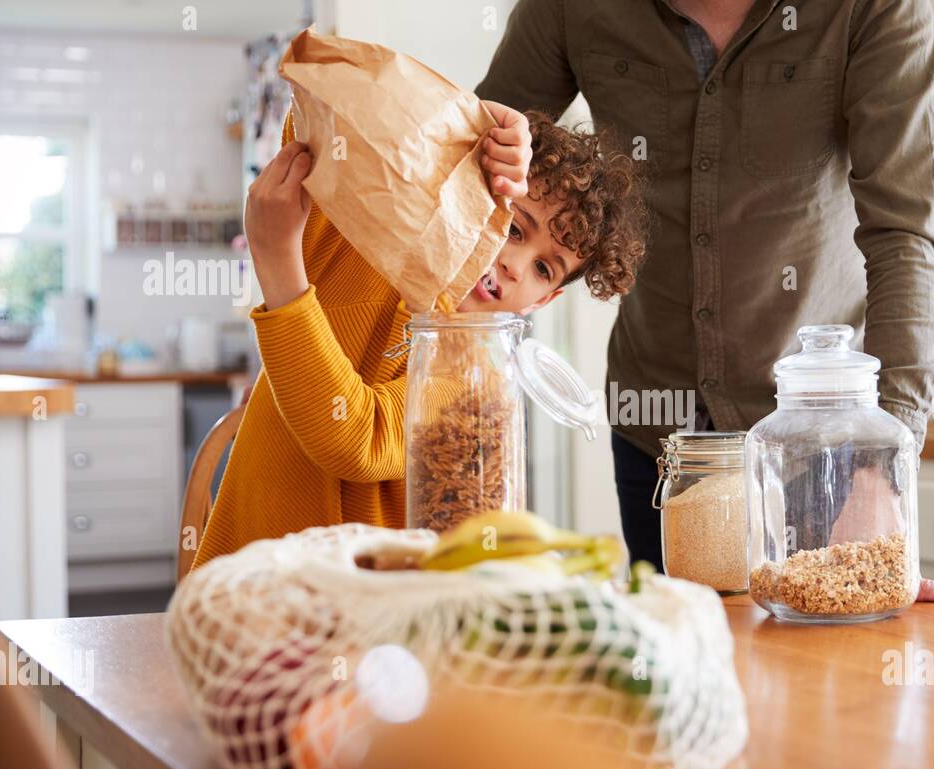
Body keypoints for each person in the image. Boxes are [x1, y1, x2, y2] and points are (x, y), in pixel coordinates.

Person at [478, 0, 934, 602]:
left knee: (831, 679)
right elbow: (474, 161)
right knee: (677, 670)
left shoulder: (874, 10)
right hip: (657, 428)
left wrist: (880, 471)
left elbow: (908, 236)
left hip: (823, 443)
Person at [193, 107, 647, 569]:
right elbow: (318, 113)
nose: (514, 264)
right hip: (243, 586)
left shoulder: (474, 377)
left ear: (540, 302)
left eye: (543, 268)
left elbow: (355, 439)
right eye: (514, 228)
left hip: (371, 613)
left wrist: (276, 261)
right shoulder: (367, 236)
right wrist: (462, 119)